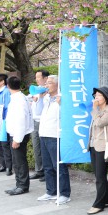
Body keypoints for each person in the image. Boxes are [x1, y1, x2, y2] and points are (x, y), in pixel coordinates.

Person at [37, 75, 71, 204]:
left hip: (55, 135)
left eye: (50, 83)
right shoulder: (46, 98)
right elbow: (37, 113)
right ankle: (51, 191)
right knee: (47, 166)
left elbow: (65, 116)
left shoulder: (62, 98)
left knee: (59, 166)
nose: (47, 85)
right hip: (44, 133)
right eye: (46, 83)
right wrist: (39, 99)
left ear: (57, 85)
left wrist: (61, 104)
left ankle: (64, 193)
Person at [87, 86, 108, 215]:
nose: (95, 97)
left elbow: (99, 123)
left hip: (103, 147)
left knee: (100, 176)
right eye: (95, 95)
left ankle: (99, 204)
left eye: (98, 95)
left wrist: (94, 110)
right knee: (99, 175)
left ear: (105, 98)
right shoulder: (98, 110)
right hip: (94, 145)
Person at [4, 76, 34, 196]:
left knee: (19, 161)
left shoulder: (19, 100)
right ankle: (19, 184)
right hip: (17, 133)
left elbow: (21, 120)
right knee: (17, 161)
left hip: (19, 134)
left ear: (8, 86)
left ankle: (22, 185)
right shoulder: (18, 97)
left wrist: (17, 139)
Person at [29, 70, 49, 181]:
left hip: (43, 121)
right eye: (36, 77)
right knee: (36, 147)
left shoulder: (49, 91)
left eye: (38, 77)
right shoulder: (36, 90)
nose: (36, 79)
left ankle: (47, 172)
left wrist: (41, 97)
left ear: (45, 78)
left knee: (44, 147)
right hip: (34, 121)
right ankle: (39, 170)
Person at [0, 73, 13, 175]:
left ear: (2, 81)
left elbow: (7, 107)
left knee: (5, 145)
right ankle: (3, 165)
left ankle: (9, 167)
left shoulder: (6, 92)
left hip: (3, 122)